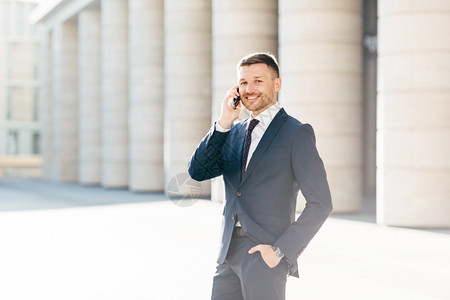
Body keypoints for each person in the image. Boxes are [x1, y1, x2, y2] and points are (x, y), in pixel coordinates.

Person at [188, 52, 332, 300]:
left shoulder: (296, 133)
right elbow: (197, 171)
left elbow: (321, 204)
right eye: (243, 82)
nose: (249, 89)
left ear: (277, 84)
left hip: (265, 256)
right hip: (227, 253)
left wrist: (280, 252)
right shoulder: (232, 132)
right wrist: (223, 122)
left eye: (258, 81)